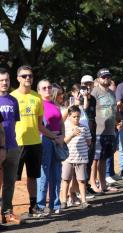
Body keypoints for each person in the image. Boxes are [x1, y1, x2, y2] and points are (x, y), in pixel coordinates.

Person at [11, 65, 58, 217]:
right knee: (12, 179)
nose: (28, 78)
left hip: (35, 143)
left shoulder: (37, 97)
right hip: (16, 144)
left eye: (30, 75)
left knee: (33, 177)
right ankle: (8, 208)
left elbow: (39, 125)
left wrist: (53, 136)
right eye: (24, 76)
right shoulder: (12, 98)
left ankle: (33, 207)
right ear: (18, 78)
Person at [36, 79, 65, 215]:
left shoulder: (55, 104)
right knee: (44, 175)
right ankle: (41, 205)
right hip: (45, 141)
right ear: (39, 91)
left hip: (57, 141)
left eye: (49, 87)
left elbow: (61, 123)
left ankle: (55, 204)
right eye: (44, 88)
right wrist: (54, 137)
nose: (47, 90)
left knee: (56, 174)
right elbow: (39, 127)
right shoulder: (38, 104)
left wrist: (62, 137)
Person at [91, 68, 118, 191]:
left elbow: (113, 110)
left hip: (110, 131)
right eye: (103, 77)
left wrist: (118, 120)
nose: (106, 79)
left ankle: (103, 184)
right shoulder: (94, 92)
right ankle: (92, 183)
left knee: (104, 159)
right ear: (98, 79)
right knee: (95, 159)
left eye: (108, 77)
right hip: (98, 131)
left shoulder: (112, 93)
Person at [0, 68, 21, 224]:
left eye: (6, 80)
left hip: (12, 146)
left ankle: (7, 212)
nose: (4, 83)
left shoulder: (13, 100)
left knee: (10, 182)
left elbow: (13, 124)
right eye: (1, 80)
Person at [61, 105, 92, 209]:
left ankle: (84, 200)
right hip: (68, 158)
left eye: (78, 116)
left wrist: (85, 146)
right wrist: (72, 135)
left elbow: (89, 141)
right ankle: (64, 201)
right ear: (69, 116)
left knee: (82, 180)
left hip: (81, 158)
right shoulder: (65, 127)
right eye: (74, 116)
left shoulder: (84, 127)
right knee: (66, 179)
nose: (76, 118)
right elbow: (63, 141)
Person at [80, 75, 97, 194]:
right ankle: (80, 189)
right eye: (85, 84)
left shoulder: (94, 99)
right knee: (82, 163)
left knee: (89, 161)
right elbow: (83, 111)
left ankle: (87, 185)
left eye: (90, 84)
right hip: (82, 135)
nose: (87, 86)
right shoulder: (79, 98)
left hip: (92, 133)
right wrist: (84, 97)